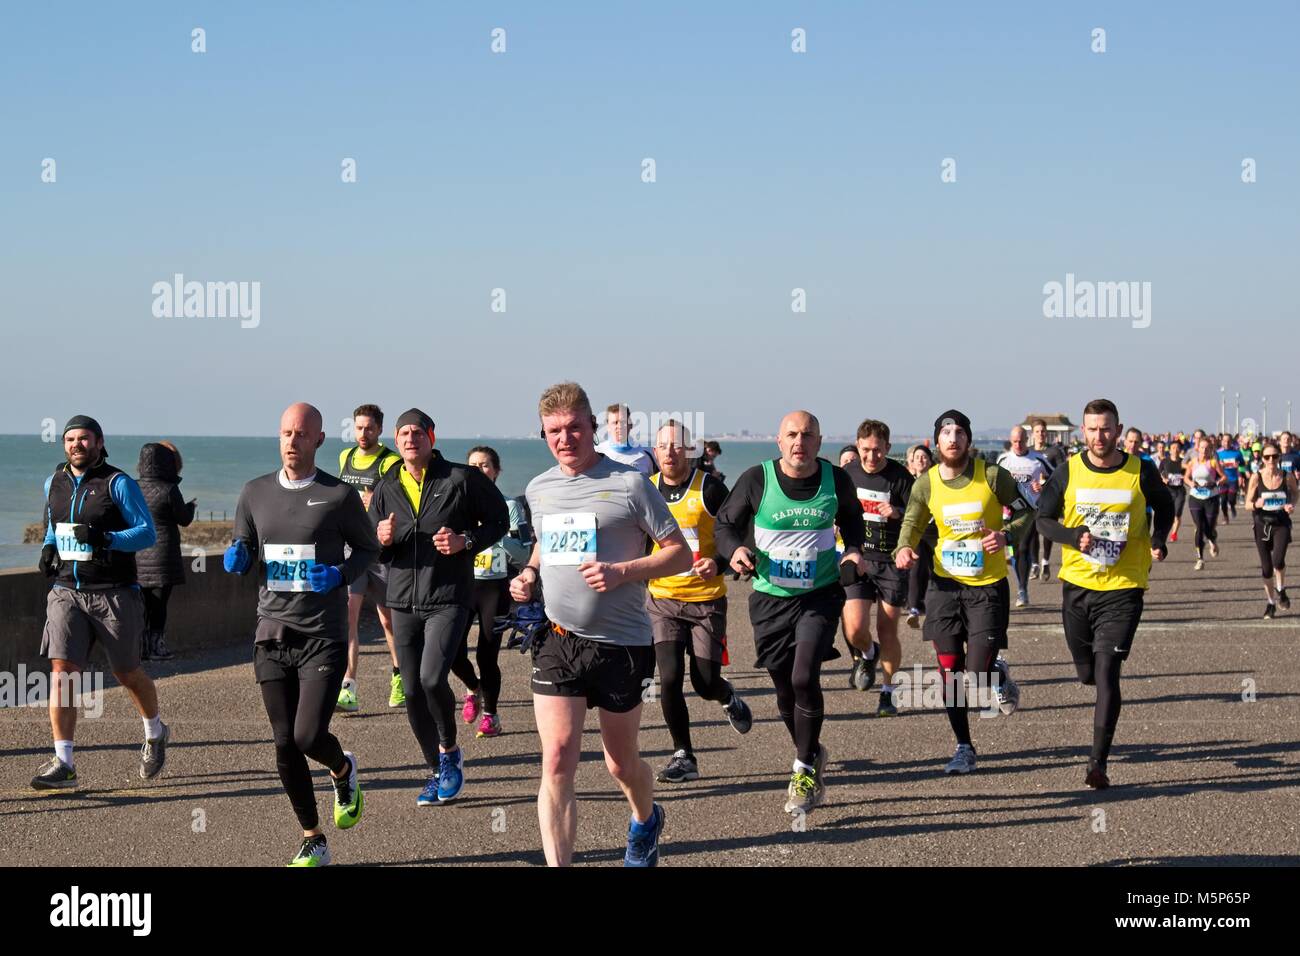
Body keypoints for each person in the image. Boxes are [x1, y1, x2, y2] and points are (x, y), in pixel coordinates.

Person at [509, 382, 691, 866]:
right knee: (557, 759)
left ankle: (645, 819)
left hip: (622, 645)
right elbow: (546, 542)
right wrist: (528, 573)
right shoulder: (539, 488)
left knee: (619, 764)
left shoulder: (631, 484)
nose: (564, 438)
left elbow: (680, 553)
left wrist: (622, 571)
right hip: (558, 640)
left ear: (592, 426)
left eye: (573, 428)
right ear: (543, 434)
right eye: (553, 431)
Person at [224, 403, 378, 866]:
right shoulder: (254, 493)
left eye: (301, 434)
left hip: (321, 634)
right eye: (285, 433)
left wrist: (339, 574)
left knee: (309, 735)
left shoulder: (338, 496)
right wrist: (238, 558)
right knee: (283, 741)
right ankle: (313, 836)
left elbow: (368, 548)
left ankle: (343, 767)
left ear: (319, 440)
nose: (292, 442)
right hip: (271, 631)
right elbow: (245, 547)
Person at [714, 410, 867, 813]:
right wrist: (736, 551)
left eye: (808, 435)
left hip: (820, 594)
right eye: (792, 435)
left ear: (820, 442)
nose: (800, 442)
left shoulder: (837, 480)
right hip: (769, 597)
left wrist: (853, 549)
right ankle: (813, 751)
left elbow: (853, 520)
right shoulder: (756, 479)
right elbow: (725, 526)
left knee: (804, 676)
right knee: (784, 688)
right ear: (779, 442)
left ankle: (802, 768)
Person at [366, 411, 509, 805]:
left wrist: (466, 540)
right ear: (396, 440)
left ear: (431, 437)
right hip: (402, 600)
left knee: (432, 679)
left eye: (418, 432)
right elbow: (370, 540)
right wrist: (381, 538)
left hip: (448, 596)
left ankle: (448, 749)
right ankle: (437, 767)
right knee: (411, 691)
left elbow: (500, 520)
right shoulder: (386, 484)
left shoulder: (461, 478)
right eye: (404, 434)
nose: (411, 439)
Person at [1035, 399, 1172, 788]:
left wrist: (1159, 539)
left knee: (1108, 671)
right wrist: (1072, 538)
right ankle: (1094, 683)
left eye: (1107, 428)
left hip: (1124, 585)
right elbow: (1044, 519)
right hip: (1078, 584)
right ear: (1083, 431)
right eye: (1093, 429)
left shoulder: (1140, 470)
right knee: (1086, 673)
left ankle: (1098, 763)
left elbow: (1164, 507)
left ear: (1119, 429)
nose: (1100, 436)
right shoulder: (1068, 471)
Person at [895, 410, 1034, 775]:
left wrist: (1007, 536)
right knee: (949, 670)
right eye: (945, 432)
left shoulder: (991, 475)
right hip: (944, 587)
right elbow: (912, 521)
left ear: (969, 441)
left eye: (959, 432)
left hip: (986, 587)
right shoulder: (926, 483)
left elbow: (1026, 510)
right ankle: (963, 746)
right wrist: (903, 548)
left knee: (977, 675)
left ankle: (997, 675)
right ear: (936, 441)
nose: (952, 438)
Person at [32, 416, 166, 791]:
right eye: (70, 439)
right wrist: (46, 547)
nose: (77, 445)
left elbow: (145, 533)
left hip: (114, 593)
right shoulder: (53, 482)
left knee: (126, 672)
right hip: (65, 592)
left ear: (99, 442)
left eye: (84, 439)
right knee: (63, 671)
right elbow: (52, 525)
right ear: (64, 445)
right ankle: (64, 761)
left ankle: (155, 732)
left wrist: (104, 537)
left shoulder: (117, 483)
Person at [646, 420, 752, 783]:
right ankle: (683, 755)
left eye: (677, 445)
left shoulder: (710, 488)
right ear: (655, 452)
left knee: (705, 681)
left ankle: (727, 696)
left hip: (706, 600)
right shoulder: (647, 490)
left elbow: (737, 532)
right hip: (663, 599)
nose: (670, 452)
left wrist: (720, 561)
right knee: (670, 677)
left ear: (690, 450)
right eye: (663, 446)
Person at [457, 445, 533, 738]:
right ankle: (473, 688)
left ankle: (491, 715)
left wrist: (492, 533)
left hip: (495, 587)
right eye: (473, 465)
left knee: (488, 655)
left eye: (486, 465)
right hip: (463, 585)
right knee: (451, 651)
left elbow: (523, 552)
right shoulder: (459, 507)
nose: (480, 470)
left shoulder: (509, 506)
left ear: (497, 471)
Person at [841, 420, 915, 716]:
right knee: (855, 629)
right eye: (866, 450)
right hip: (859, 558)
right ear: (857, 446)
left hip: (890, 562)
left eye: (878, 451)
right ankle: (867, 654)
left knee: (887, 630)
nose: (872, 457)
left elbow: (919, 516)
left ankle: (888, 691)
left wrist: (897, 513)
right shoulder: (848, 475)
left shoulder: (900, 478)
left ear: (888, 448)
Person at [336, 405, 403, 713]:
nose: (363, 434)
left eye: (369, 428)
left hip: (379, 552)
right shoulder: (345, 458)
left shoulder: (390, 461)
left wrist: (374, 500)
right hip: (351, 549)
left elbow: (401, 502)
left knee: (387, 619)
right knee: (348, 617)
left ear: (379, 430)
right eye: (359, 428)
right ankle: (348, 687)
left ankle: (399, 676)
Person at [135, 441, 196, 661]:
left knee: (140, 605)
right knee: (159, 606)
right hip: (163, 556)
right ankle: (156, 647)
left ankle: (138, 647)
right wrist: (191, 508)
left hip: (136, 555)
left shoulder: (132, 487)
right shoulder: (169, 489)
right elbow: (184, 519)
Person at [997, 426, 1049, 607]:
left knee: (1024, 548)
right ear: (1010, 441)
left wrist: (1042, 486)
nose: (1018, 445)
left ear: (1027, 440)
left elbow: (1056, 478)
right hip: (1008, 512)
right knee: (1014, 550)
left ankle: (1022, 589)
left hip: (1029, 512)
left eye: (1021, 441)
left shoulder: (1038, 459)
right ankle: (1018, 576)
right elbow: (993, 485)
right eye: (1014, 442)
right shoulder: (1003, 460)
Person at [1245, 440, 1297, 618]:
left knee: (1278, 560)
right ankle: (1271, 603)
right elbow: (1246, 504)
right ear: (1263, 459)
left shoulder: (1287, 476)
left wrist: (1291, 504)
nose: (1271, 460)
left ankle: (1281, 589)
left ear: (1279, 457)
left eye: (1274, 456)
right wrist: (1255, 503)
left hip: (1281, 523)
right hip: (1262, 524)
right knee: (1267, 568)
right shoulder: (1256, 477)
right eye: (1267, 457)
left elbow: (1295, 492)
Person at [903, 444, 936, 628]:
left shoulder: (937, 481)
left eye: (924, 457)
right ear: (912, 463)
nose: (921, 460)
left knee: (934, 570)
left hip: (935, 531)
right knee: (916, 567)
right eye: (917, 458)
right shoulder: (908, 482)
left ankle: (933, 605)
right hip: (916, 531)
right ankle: (914, 608)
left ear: (930, 461)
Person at [1184, 436, 1226, 571]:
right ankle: (1199, 559)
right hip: (1195, 497)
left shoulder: (1213, 463)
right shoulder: (1192, 462)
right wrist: (1191, 483)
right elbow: (1186, 477)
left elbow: (1223, 477)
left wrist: (1215, 483)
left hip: (1211, 497)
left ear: (1211, 450)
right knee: (1199, 527)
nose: (1204, 450)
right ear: (1198, 448)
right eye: (1202, 448)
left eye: (1207, 448)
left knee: (1209, 527)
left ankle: (1213, 540)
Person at [1029, 419, 1065, 579]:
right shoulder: (1029, 452)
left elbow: (1060, 473)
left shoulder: (1054, 451)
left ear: (1046, 433)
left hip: (1050, 495)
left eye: (1043, 431)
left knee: (1047, 529)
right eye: (1037, 431)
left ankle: (1045, 561)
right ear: (1032, 434)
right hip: (1032, 498)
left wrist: (1045, 484)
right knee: (1032, 532)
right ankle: (1035, 564)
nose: (1040, 434)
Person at [595, 402, 656, 476]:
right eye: (615, 423)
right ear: (607, 426)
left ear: (630, 425)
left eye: (623, 422)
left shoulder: (648, 453)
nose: (620, 426)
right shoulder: (597, 452)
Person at [1160, 441, 1186, 543]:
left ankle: (1174, 533)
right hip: (1168, 491)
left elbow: (1189, 474)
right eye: (1173, 448)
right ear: (1170, 450)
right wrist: (1163, 479)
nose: (1175, 450)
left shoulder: (1183, 462)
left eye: (1177, 448)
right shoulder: (1164, 462)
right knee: (1167, 514)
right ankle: (1165, 532)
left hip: (1179, 491)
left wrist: (1185, 477)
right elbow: (1159, 473)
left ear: (1180, 450)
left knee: (1177, 514)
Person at [1216, 434, 1245, 523]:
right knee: (1223, 500)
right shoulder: (1218, 453)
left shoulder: (1237, 452)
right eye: (1224, 441)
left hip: (1233, 479)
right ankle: (1225, 517)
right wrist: (1219, 465)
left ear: (1232, 442)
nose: (1227, 443)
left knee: (1231, 499)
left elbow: (1243, 464)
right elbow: (1213, 465)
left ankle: (1232, 506)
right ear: (1222, 442)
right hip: (1222, 479)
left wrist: (1238, 465)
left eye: (1228, 441)